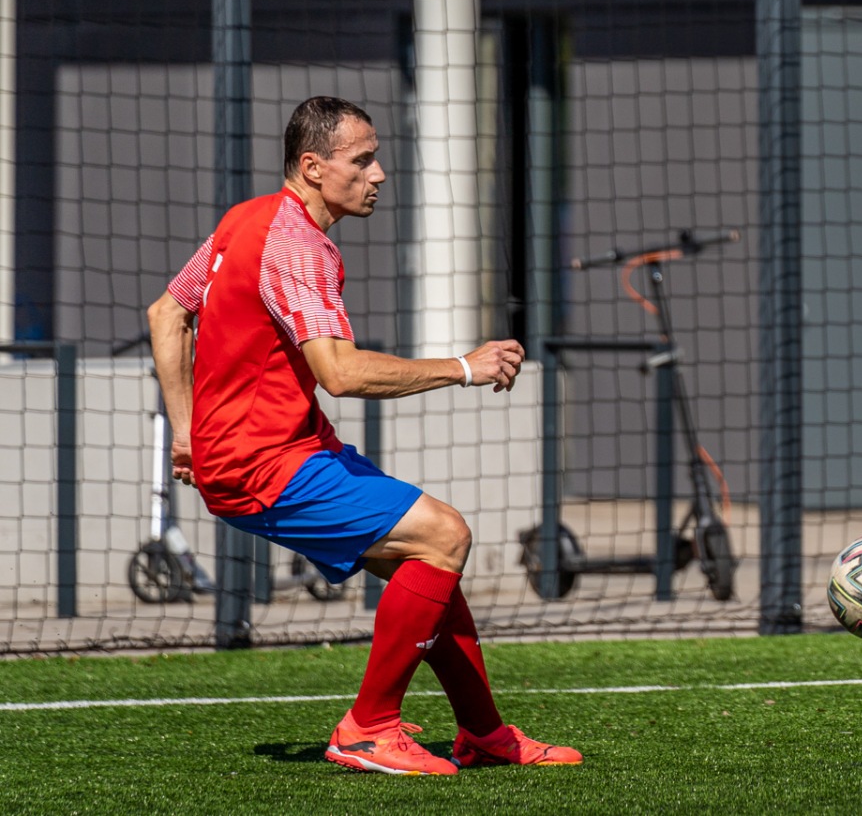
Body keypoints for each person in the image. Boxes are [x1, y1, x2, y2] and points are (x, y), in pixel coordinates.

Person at [147, 96, 584, 774]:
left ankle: (484, 734)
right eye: (363, 160)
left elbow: (167, 313)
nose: (378, 174)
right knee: (446, 534)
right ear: (313, 167)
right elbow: (341, 373)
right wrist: (463, 367)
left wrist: (187, 434)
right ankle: (367, 729)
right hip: (263, 462)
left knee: (426, 565)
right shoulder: (298, 243)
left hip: (279, 448)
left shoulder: (246, 218)